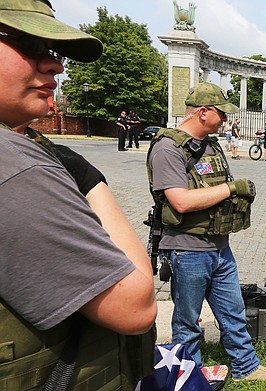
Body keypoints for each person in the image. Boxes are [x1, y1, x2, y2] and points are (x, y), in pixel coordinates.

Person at [0, 1, 157, 389]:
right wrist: (90, 179)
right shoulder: (15, 162)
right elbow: (135, 305)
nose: (55, 65)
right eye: (26, 43)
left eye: (52, 51)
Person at [147, 82, 266, 382]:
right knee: (187, 321)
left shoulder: (211, 144)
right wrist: (230, 189)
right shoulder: (168, 148)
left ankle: (247, 367)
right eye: (222, 114)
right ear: (203, 112)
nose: (225, 120)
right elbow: (180, 202)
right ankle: (188, 375)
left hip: (219, 246)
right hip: (187, 248)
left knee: (233, 312)